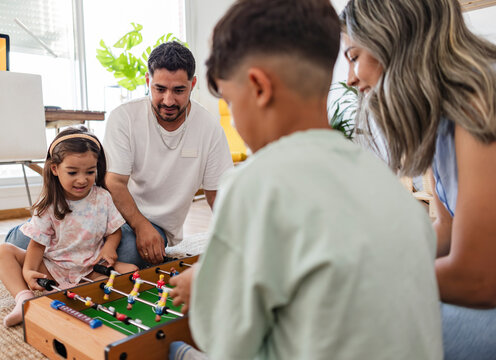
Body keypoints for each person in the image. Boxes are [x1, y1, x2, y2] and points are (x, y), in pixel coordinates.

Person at [168, 0, 443, 359]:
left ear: (258, 88)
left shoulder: (254, 185)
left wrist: (202, 292)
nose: (232, 122)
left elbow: (230, 347)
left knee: (175, 351)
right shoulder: (386, 183)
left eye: (232, 104)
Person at [339, 0, 496, 358]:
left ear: (391, 40)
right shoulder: (444, 112)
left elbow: (479, 279)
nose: (350, 78)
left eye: (353, 56)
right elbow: (447, 229)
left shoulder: (481, 97)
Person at [103, 41, 233, 268]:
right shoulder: (124, 117)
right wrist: (139, 224)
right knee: (33, 240)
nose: (169, 100)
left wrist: (237, 241)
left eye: (179, 90)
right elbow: (114, 182)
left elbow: (217, 195)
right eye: (160, 89)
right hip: (110, 215)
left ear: (192, 84)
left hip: (157, 227)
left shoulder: (210, 128)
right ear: (147, 82)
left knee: (128, 254)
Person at [0, 127, 137, 327]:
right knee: (3, 251)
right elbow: (37, 246)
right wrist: (29, 271)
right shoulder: (49, 206)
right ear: (55, 169)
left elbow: (114, 231)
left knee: (131, 270)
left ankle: (71, 292)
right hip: (53, 267)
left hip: (90, 267)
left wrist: (109, 248)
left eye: (90, 171)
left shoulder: (103, 197)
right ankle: (24, 300)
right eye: (72, 172)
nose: (82, 179)